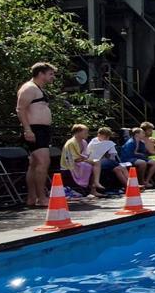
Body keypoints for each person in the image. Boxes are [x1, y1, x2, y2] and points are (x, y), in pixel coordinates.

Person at [15, 62, 56, 207]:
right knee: (43, 162)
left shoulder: (38, 89)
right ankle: (41, 197)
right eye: (50, 74)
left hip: (41, 129)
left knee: (34, 164)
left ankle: (32, 198)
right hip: (35, 129)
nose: (53, 77)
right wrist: (27, 129)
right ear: (41, 74)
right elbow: (20, 109)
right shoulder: (29, 88)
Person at [62, 124, 105, 197]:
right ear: (78, 132)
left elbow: (86, 154)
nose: (87, 134)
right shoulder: (71, 143)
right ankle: (94, 186)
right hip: (71, 164)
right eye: (85, 133)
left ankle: (94, 186)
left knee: (96, 163)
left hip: (81, 161)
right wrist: (88, 160)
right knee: (92, 165)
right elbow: (74, 158)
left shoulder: (83, 142)